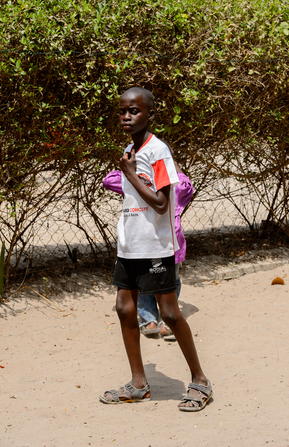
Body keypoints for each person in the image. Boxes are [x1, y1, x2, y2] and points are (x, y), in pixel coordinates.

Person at [99, 87, 212, 411]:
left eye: (133, 111)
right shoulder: (130, 149)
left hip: (156, 247)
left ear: (150, 114)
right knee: (124, 309)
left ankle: (200, 380)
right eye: (122, 111)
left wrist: (130, 173)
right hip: (130, 245)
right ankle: (138, 383)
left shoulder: (157, 151)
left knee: (170, 314)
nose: (126, 116)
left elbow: (162, 204)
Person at [103, 155, 194, 340]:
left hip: (148, 241)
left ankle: (149, 320)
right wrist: (174, 166)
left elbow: (109, 180)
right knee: (170, 281)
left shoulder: (136, 185)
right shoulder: (173, 183)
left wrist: (132, 171)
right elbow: (187, 186)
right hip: (167, 242)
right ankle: (166, 320)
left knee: (145, 281)